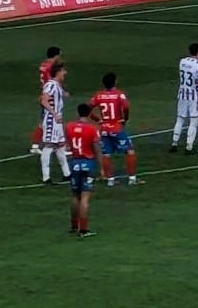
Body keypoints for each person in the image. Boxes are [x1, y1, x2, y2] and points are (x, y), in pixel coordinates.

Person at [91, 72, 136, 187]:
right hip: (117, 127)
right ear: (115, 82)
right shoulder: (119, 94)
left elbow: (87, 108)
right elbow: (126, 106)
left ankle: (110, 180)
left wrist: (98, 120)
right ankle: (132, 179)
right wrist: (125, 118)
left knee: (106, 154)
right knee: (129, 151)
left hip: (105, 128)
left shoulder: (99, 95)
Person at [64, 103, 102, 236]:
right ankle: (83, 229)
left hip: (74, 163)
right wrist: (102, 167)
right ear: (89, 113)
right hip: (88, 163)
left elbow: (68, 143)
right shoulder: (92, 129)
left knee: (75, 195)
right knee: (85, 197)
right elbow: (97, 149)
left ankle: (74, 225)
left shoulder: (69, 127)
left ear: (78, 112)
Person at [38, 59, 70, 185]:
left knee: (61, 146)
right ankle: (46, 177)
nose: (65, 73)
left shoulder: (56, 85)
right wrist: (54, 114)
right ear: (58, 72)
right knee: (48, 146)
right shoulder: (50, 85)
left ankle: (67, 174)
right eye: (63, 71)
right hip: (52, 120)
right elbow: (44, 101)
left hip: (57, 120)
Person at [171, 41, 198, 152]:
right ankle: (189, 146)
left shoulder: (182, 61)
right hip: (194, 95)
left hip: (182, 93)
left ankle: (174, 143)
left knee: (180, 118)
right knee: (194, 120)